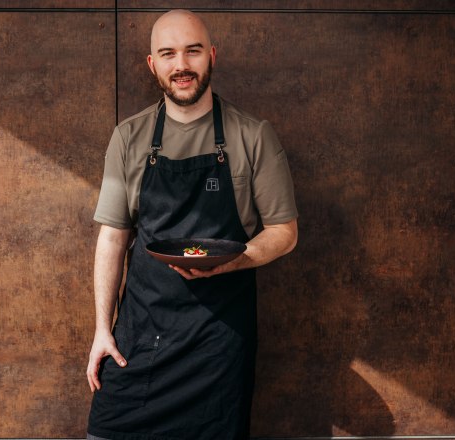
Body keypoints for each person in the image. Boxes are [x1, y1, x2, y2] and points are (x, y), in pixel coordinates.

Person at [85, 9, 298, 440]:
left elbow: (284, 232)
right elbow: (113, 237)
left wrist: (235, 261)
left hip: (218, 344)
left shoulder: (252, 135)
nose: (181, 65)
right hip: (141, 337)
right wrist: (102, 331)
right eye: (168, 54)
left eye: (192, 51)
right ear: (153, 64)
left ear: (211, 56)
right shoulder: (129, 137)